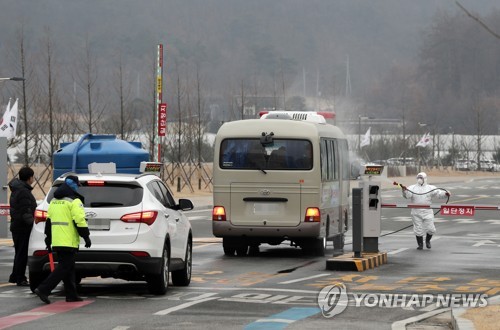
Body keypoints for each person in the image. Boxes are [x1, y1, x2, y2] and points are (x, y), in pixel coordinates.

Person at [34, 175, 91, 304]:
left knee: (69, 267)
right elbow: (80, 220)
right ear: (73, 186)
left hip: (57, 240)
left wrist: (48, 238)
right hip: (68, 240)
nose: (77, 188)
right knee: (64, 267)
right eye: (77, 185)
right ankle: (44, 289)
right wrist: (86, 236)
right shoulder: (74, 201)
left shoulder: (54, 201)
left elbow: (49, 221)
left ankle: (71, 294)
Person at [401, 172, 450, 250]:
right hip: (416, 212)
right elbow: (407, 196)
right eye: (418, 178)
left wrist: (445, 194)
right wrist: (404, 191)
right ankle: (420, 244)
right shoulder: (412, 188)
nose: (419, 180)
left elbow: (438, 193)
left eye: (421, 178)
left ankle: (427, 241)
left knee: (431, 229)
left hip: (427, 211)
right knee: (418, 229)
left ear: (425, 179)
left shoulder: (430, 188)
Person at [8, 166, 37, 286]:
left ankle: (16, 276)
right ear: (29, 178)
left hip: (17, 225)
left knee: (19, 252)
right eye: (32, 176)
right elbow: (26, 211)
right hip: (23, 227)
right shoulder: (24, 192)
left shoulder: (17, 189)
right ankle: (20, 278)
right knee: (22, 253)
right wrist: (33, 225)